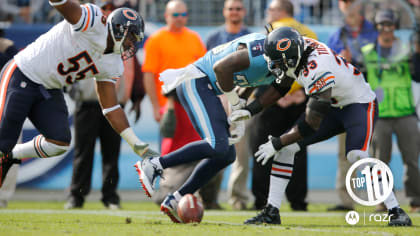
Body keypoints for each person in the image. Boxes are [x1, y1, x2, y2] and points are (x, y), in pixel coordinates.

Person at [235, 27, 411, 226]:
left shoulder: (317, 66)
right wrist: (251, 110)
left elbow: (311, 124)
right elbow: (281, 85)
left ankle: (396, 210)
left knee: (358, 155)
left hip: (358, 104)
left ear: (291, 56)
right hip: (332, 104)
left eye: (278, 62)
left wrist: (276, 142)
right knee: (286, 150)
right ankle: (271, 211)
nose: (274, 66)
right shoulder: (297, 50)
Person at [0, 0, 156, 189]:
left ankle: (13, 155)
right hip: (23, 72)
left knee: (59, 142)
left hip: (49, 87)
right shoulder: (93, 21)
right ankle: (6, 152)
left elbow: (111, 107)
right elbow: (62, 5)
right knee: (3, 140)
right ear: (117, 28)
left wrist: (136, 143)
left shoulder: (113, 63)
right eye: (130, 36)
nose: (131, 44)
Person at [135, 32, 288, 223]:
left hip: (207, 87)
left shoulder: (280, 63)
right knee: (217, 145)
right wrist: (234, 101)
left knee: (226, 155)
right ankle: (154, 164)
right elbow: (221, 68)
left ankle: (177, 198)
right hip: (196, 80)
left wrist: (241, 114)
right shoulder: (257, 51)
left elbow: (249, 81)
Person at [249, 0, 317, 211]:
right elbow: (312, 64)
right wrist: (297, 90)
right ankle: (298, 201)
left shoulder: (273, 31)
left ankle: (261, 200)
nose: (268, 13)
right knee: (297, 148)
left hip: (273, 96)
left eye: (270, 9)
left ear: (280, 11)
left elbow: (265, 65)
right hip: (299, 97)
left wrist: (278, 92)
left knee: (262, 149)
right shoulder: (309, 32)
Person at [141, 0, 207, 205]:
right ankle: (164, 195)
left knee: (198, 151)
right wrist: (154, 106)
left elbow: (203, 72)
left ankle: (192, 196)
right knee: (169, 154)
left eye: (182, 15)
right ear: (166, 16)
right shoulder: (156, 39)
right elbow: (149, 75)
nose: (179, 18)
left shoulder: (194, 38)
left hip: (193, 106)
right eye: (175, 15)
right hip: (169, 107)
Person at [64, 0, 124, 210]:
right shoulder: (86, 32)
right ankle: (77, 195)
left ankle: (110, 196)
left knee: (111, 154)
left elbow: (131, 69)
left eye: (111, 9)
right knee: (83, 152)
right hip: (87, 103)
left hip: (114, 105)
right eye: (105, 8)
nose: (108, 12)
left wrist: (132, 98)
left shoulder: (121, 38)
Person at [362, 9, 420, 214]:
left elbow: (418, 76)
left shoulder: (408, 50)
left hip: (406, 113)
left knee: (412, 160)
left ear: (395, 26)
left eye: (390, 25)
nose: (386, 29)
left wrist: (418, 55)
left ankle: (416, 201)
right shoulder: (367, 52)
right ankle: (384, 201)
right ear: (376, 27)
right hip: (380, 115)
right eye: (382, 25)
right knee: (379, 161)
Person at [326, 0, 377, 212]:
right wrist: (341, 59)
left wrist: (354, 58)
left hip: (368, 101)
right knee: (345, 154)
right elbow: (328, 62)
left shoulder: (373, 31)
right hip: (346, 100)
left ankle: (380, 201)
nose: (348, 6)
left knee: (371, 153)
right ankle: (346, 201)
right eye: (344, 2)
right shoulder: (338, 34)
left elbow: (380, 59)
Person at [205, 0, 251, 210]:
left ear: (244, 12)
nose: (234, 12)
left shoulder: (251, 38)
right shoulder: (214, 38)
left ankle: (238, 199)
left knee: (241, 153)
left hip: (243, 100)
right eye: (231, 8)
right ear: (224, 12)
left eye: (238, 8)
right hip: (218, 101)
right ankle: (209, 197)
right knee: (216, 148)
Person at [0, 24, 19, 207]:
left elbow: (16, 67)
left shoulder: (10, 51)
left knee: (10, 151)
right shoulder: (6, 48)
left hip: (7, 107)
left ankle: (3, 197)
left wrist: (8, 49)